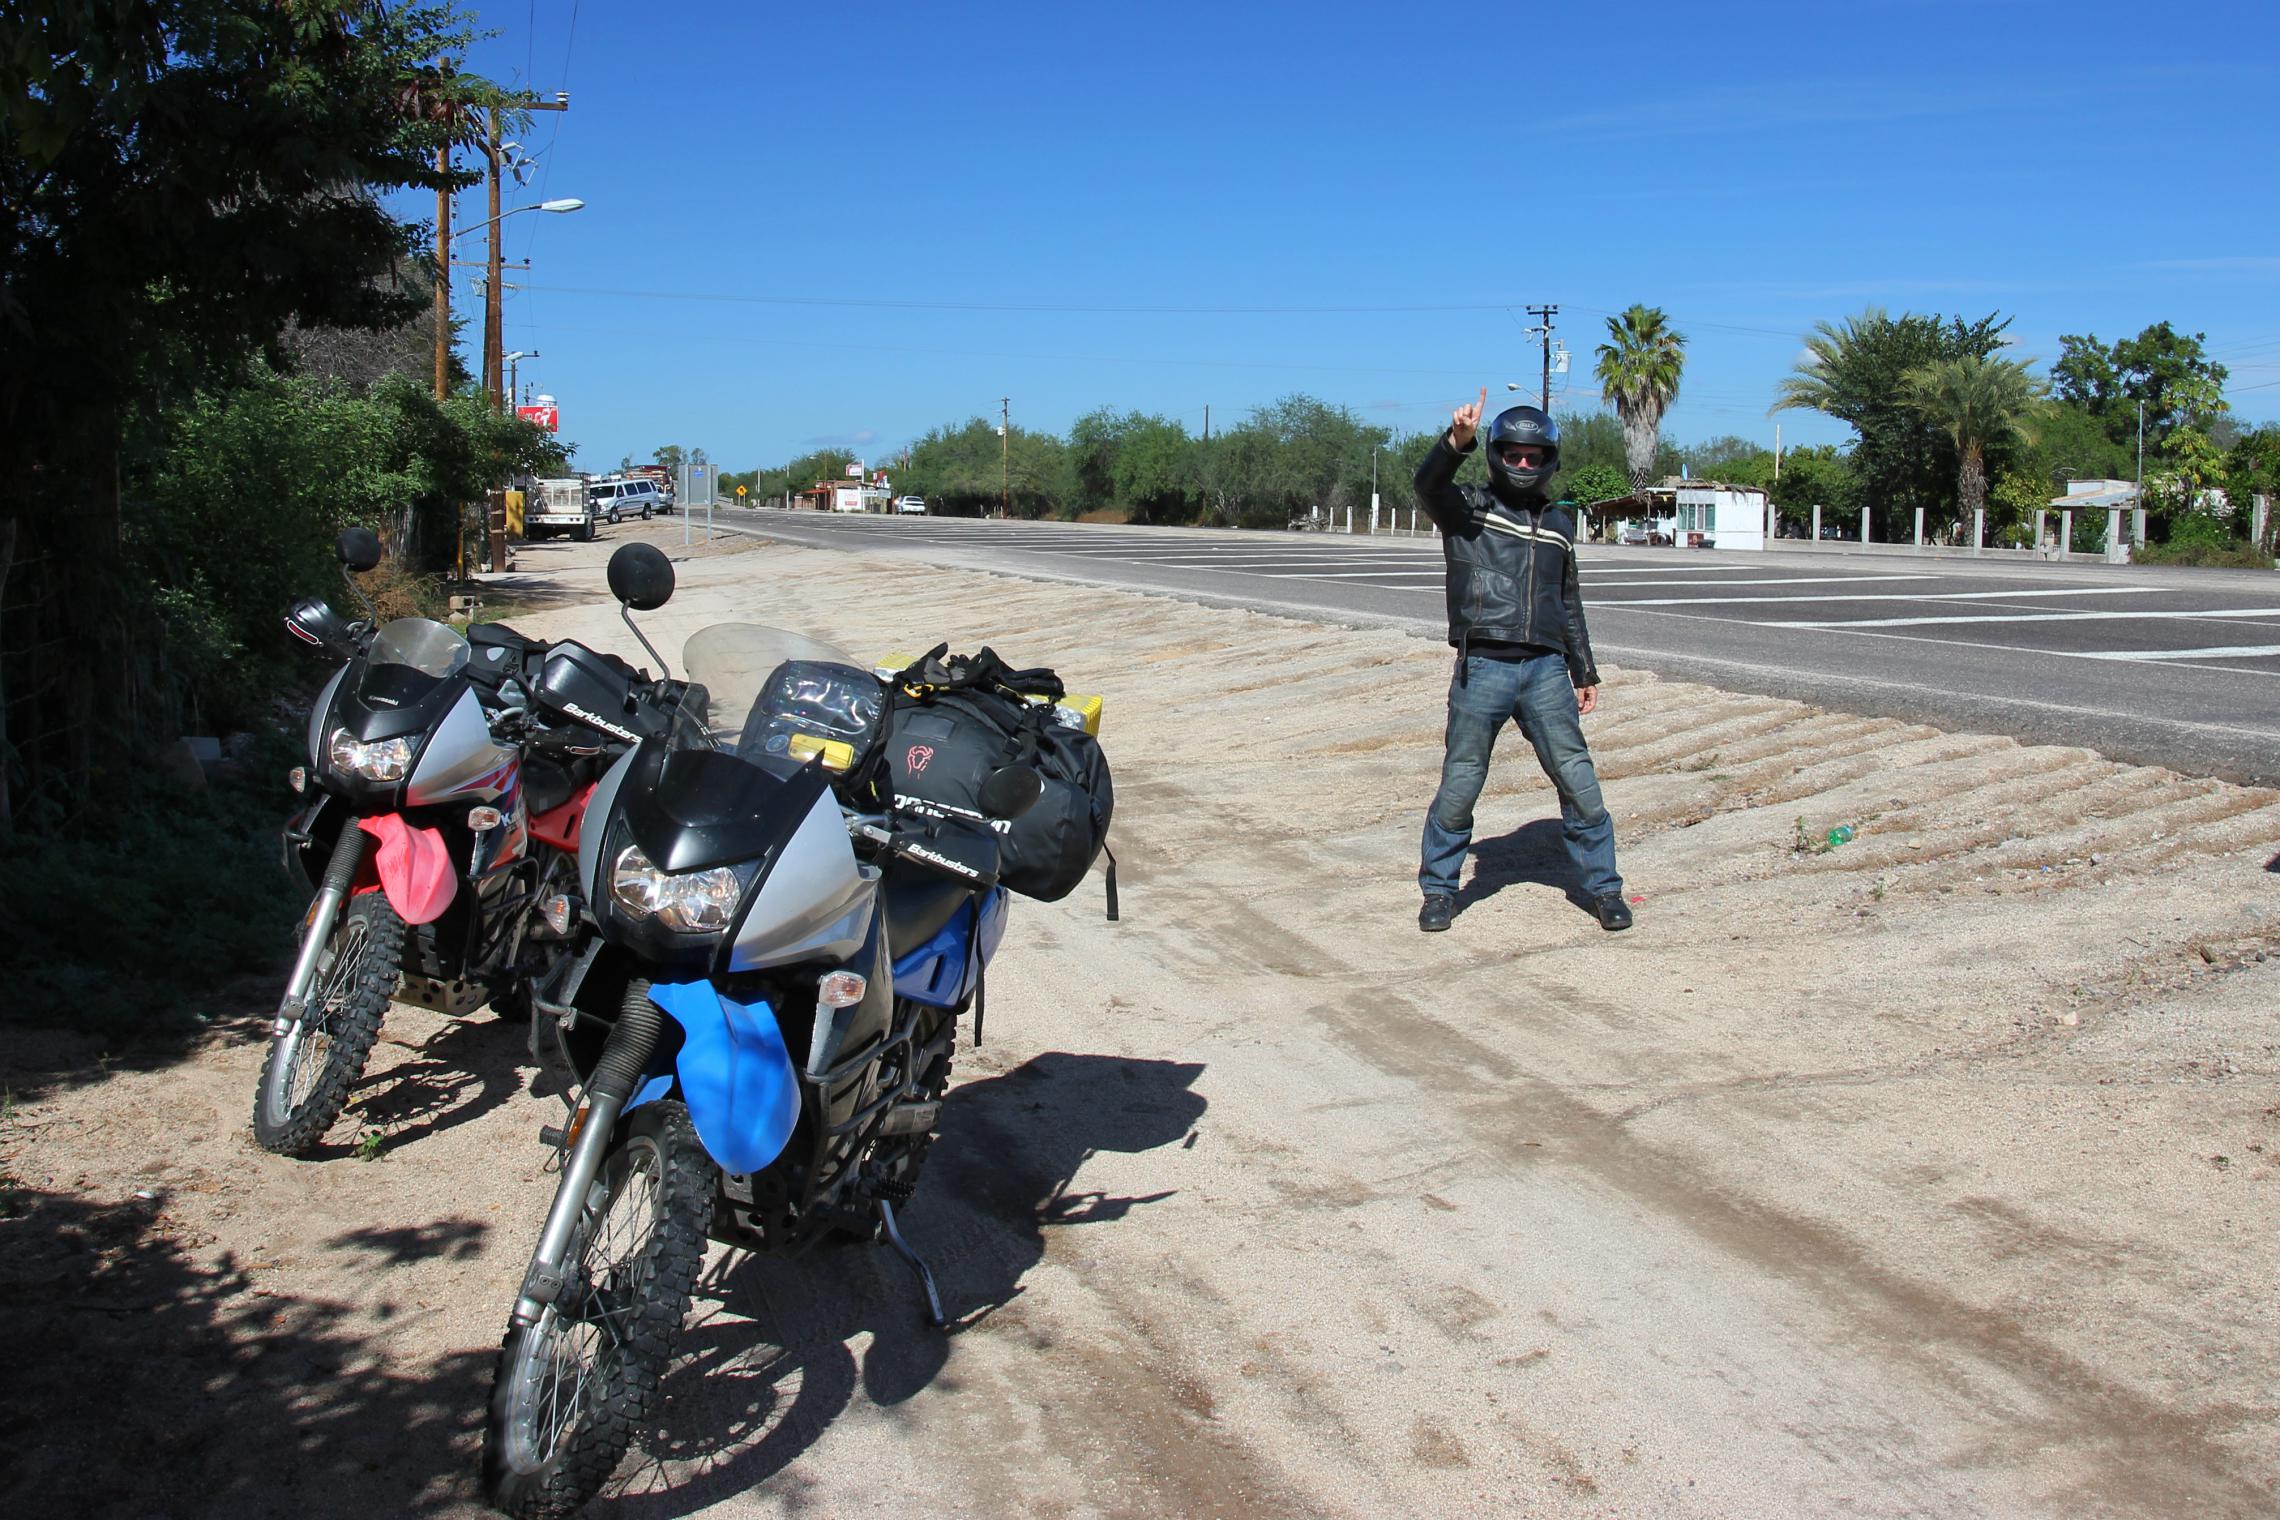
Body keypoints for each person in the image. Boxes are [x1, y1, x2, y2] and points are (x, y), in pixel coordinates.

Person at [1413, 388, 1630, 933]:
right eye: (1513, 454)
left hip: (1546, 672)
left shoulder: (1559, 522)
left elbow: (1568, 598)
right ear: (1496, 455)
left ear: (1549, 460)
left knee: (1579, 779)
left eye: (1534, 457)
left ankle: (1604, 889)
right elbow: (1428, 485)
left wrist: (1584, 669)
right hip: (1482, 666)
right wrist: (1453, 443)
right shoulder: (1468, 510)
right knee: (1461, 782)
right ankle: (1440, 890)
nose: (1524, 464)